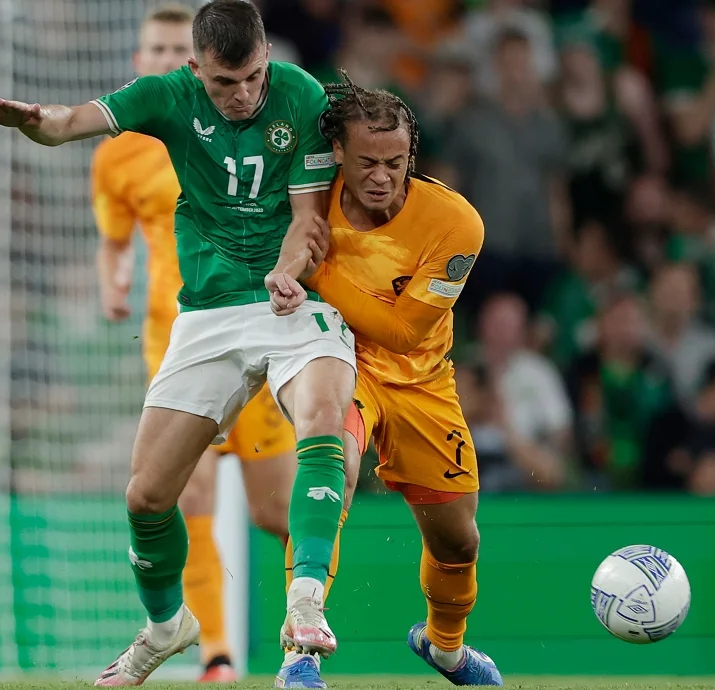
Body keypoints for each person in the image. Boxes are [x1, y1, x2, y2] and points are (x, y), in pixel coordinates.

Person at [0, 1, 357, 685]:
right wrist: (39, 122)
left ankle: (306, 605)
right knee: (146, 497)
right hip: (206, 315)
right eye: (225, 83)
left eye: (253, 77)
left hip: (291, 302)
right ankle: (168, 628)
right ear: (196, 69)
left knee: (324, 419)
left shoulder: (301, 95)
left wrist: (286, 271)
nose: (242, 95)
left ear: (267, 57)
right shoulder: (166, 97)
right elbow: (71, 122)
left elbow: (309, 217)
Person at [88, 4, 316, 682]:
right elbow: (113, 240)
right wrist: (112, 281)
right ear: (142, 62)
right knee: (186, 499)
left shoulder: (233, 126)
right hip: (179, 342)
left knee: (276, 509)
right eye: (153, 51)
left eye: (172, 50)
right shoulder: (120, 153)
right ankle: (215, 655)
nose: (163, 61)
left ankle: (301, 639)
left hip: (258, 330)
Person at [267, 78, 502, 687]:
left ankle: (445, 649)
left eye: (395, 163)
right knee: (333, 470)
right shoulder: (309, 197)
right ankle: (298, 654)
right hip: (340, 359)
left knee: (458, 542)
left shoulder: (455, 225)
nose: (381, 177)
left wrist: (319, 274)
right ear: (338, 154)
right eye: (367, 162)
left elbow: (402, 332)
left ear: (411, 157)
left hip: (422, 380)